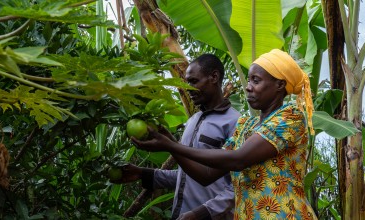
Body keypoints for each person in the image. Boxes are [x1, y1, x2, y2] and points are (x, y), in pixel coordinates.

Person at [132, 49, 318, 219]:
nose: (248, 86)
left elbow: (238, 159)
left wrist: (171, 145)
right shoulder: (246, 125)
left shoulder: (290, 118)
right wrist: (168, 143)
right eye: (249, 79)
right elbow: (206, 175)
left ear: (279, 85)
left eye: (256, 80)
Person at [112, 54, 241, 220]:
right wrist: (143, 173)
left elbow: (238, 186)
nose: (188, 88)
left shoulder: (236, 123)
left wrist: (200, 213)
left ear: (214, 77)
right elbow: (186, 175)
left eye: (194, 81)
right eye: (187, 83)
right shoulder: (193, 120)